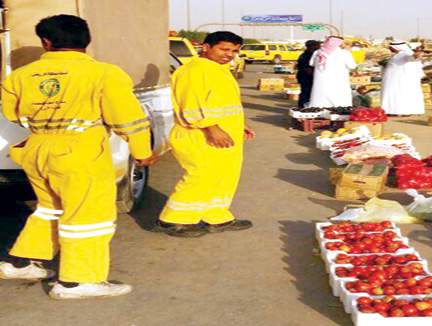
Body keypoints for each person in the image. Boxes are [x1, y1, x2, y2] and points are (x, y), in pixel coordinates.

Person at [0, 14, 157, 299]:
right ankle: (77, 281)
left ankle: (21, 264)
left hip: (36, 148)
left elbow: (12, 114)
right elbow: (127, 119)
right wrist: (142, 152)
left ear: (46, 42)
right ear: (87, 39)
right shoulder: (104, 73)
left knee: (50, 208)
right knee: (88, 215)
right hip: (79, 151)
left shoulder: (20, 76)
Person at [155, 31, 255, 238]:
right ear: (206, 47)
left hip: (224, 133)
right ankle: (172, 220)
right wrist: (211, 128)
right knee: (202, 176)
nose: (229, 54)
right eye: (224, 49)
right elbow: (190, 105)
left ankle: (215, 216)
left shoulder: (218, 69)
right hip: (199, 134)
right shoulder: (195, 71)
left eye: (235, 51)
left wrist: (239, 124)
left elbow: (220, 102)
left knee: (224, 176)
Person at [309, 36, 357, 108]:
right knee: (339, 101)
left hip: (321, 82)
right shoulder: (344, 53)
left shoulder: (318, 52)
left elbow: (311, 64)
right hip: (338, 81)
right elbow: (352, 66)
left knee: (319, 101)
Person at [381, 42, 425, 116]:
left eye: (391, 47)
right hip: (395, 79)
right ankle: (394, 111)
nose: (390, 49)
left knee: (400, 95)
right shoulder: (398, 55)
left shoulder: (405, 54)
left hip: (401, 80)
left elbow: (411, 58)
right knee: (393, 95)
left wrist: (415, 56)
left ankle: (401, 112)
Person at [296, 40, 321, 108]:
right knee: (306, 92)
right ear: (311, 46)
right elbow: (304, 67)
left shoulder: (315, 54)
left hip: (309, 76)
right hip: (305, 77)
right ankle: (303, 106)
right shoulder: (305, 55)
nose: (319, 46)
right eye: (317, 45)